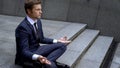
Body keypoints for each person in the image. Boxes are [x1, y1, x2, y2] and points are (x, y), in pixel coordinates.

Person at [15, 0, 71, 68]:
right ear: (29, 11)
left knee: (62, 46)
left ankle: (46, 62)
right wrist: (38, 57)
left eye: (40, 9)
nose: (41, 12)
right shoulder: (22, 28)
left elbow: (42, 39)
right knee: (51, 66)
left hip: (38, 49)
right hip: (28, 55)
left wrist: (58, 41)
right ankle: (49, 63)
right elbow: (24, 51)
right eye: (38, 10)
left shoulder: (38, 21)